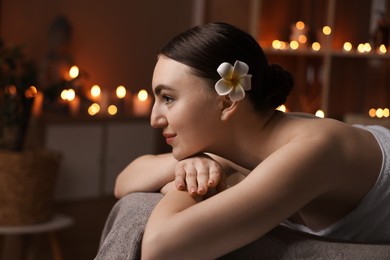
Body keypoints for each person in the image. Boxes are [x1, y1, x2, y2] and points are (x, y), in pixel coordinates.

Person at [114, 22, 390, 259]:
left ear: (226, 102)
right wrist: (196, 163)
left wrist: (183, 186)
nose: (155, 119)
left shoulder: (311, 150)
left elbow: (160, 248)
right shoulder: (239, 143)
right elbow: (125, 180)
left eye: (168, 98)